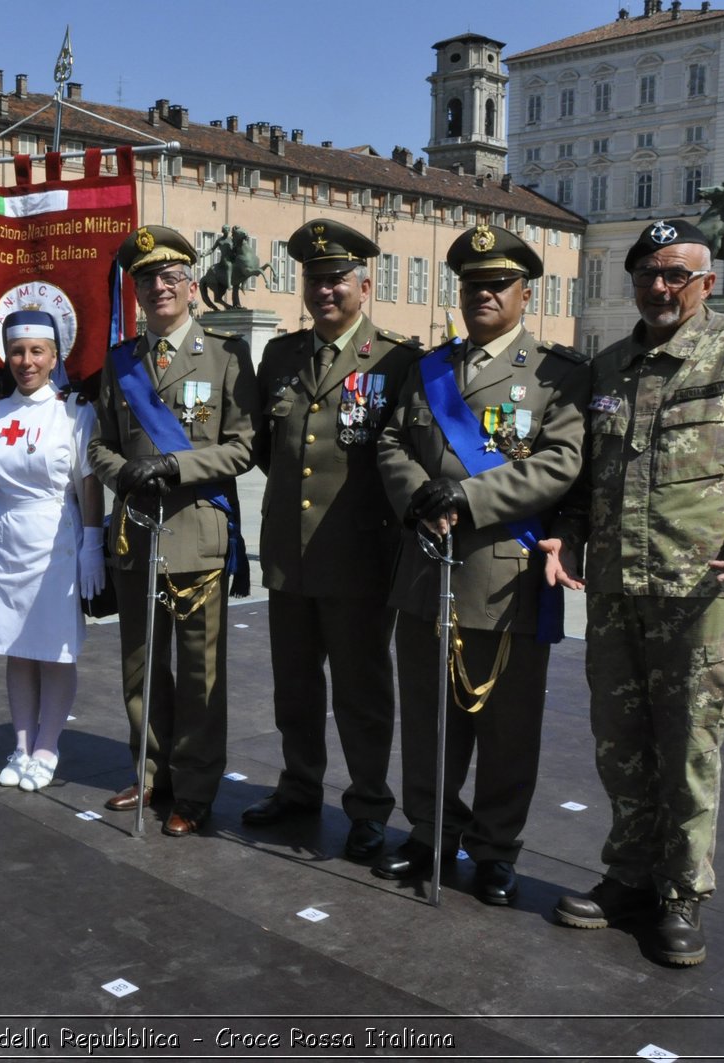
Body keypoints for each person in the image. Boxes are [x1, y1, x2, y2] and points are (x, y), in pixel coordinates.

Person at [544, 219, 724, 966]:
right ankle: (630, 874)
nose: (658, 287)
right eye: (647, 273)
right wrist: (565, 527)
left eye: (675, 274)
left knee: (690, 745)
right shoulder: (609, 365)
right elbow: (585, 471)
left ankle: (682, 893)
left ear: (707, 282)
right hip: (615, 592)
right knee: (621, 744)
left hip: (700, 592)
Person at [373, 223, 589, 903]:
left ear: (527, 293)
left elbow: (561, 464)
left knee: (507, 727)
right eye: (472, 284)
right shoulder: (426, 368)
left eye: (497, 284)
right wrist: (419, 499)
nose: (483, 295)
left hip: (507, 577)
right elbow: (388, 442)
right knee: (430, 718)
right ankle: (430, 831)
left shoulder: (556, 374)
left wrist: (463, 496)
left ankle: (497, 848)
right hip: (425, 570)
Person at [247, 219, 421, 860]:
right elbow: (271, 450)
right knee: (293, 686)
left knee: (361, 691)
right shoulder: (281, 357)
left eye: (337, 279)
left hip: (359, 557)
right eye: (315, 280)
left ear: (364, 285)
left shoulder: (400, 361)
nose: (325, 290)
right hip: (290, 554)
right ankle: (299, 786)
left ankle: (370, 806)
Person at [88, 225, 257, 837]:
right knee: (141, 665)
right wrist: (127, 474)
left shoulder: (226, 356)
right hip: (136, 533)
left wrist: (176, 465)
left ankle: (196, 787)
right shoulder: (121, 361)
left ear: (190, 285)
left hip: (197, 534)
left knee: (199, 671)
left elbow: (244, 447)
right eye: (145, 280)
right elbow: (99, 445)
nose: (158, 288)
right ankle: (149, 769)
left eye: (168, 277)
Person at [0, 308, 104, 792]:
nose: (26, 361)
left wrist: (92, 546)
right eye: (18, 351)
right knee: (17, 650)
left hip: (55, 542)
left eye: (36, 352)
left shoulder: (74, 412)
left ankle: (48, 746)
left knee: (55, 650)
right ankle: (22, 745)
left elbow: (89, 484)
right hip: (4, 538)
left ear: (54, 357)